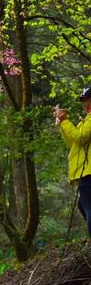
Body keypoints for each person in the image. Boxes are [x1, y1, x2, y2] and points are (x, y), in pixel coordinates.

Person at [55, 87, 91, 240]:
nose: (83, 103)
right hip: (85, 172)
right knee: (83, 207)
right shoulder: (87, 119)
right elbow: (73, 143)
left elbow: (80, 137)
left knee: (89, 209)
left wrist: (65, 121)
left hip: (89, 172)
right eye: (82, 100)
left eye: (85, 99)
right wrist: (62, 124)